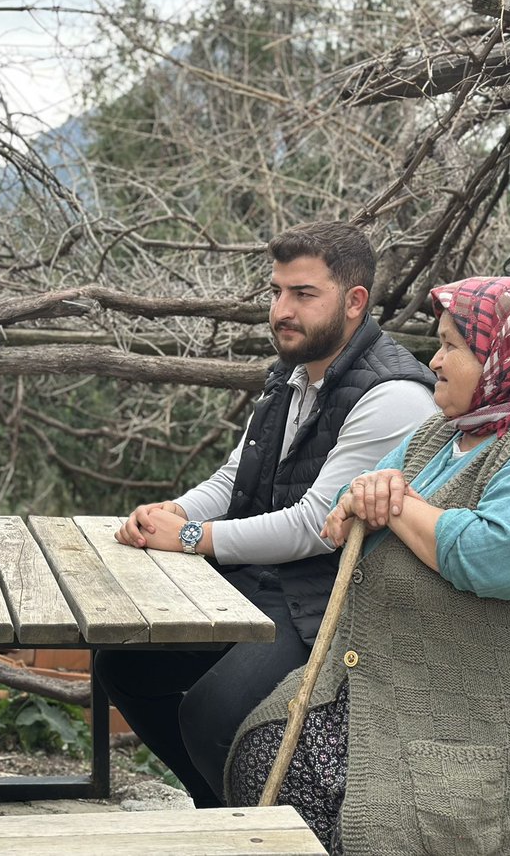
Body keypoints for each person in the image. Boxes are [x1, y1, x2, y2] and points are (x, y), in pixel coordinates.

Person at [226, 276, 510, 854]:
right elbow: (341, 515)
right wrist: (365, 499)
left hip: (499, 726)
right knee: (246, 743)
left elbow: (501, 558)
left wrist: (399, 504)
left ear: (504, 356)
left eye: (452, 346)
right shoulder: (444, 433)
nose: (433, 359)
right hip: (410, 693)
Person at [98, 221, 437, 807]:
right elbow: (235, 478)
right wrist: (171, 512)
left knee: (212, 713)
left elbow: (314, 524)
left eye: (303, 294)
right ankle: (222, 809)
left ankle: (257, 829)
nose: (282, 309)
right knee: (126, 664)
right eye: (277, 291)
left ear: (355, 302)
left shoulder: (392, 395)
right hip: (265, 581)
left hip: (333, 598)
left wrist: (191, 537)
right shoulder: (292, 374)